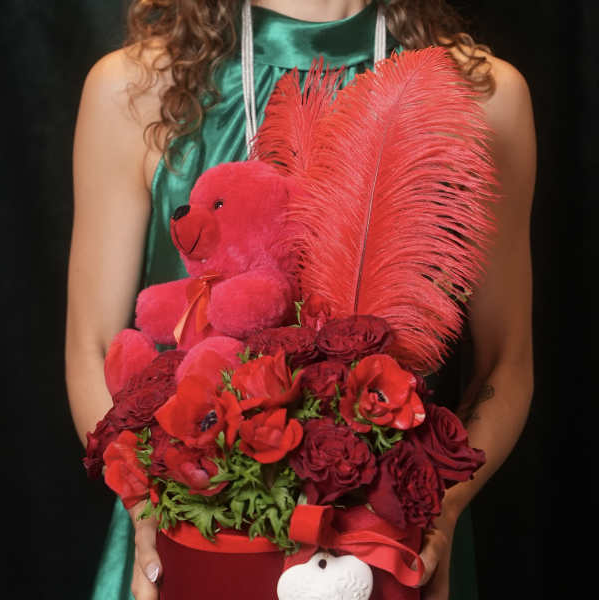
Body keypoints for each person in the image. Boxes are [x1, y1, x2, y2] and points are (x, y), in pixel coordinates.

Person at [66, 1, 535, 599]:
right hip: (186, 542)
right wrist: (147, 509)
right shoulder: (133, 88)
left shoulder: (484, 96)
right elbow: (93, 347)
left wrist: (440, 510)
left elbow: (505, 362)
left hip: (392, 551)